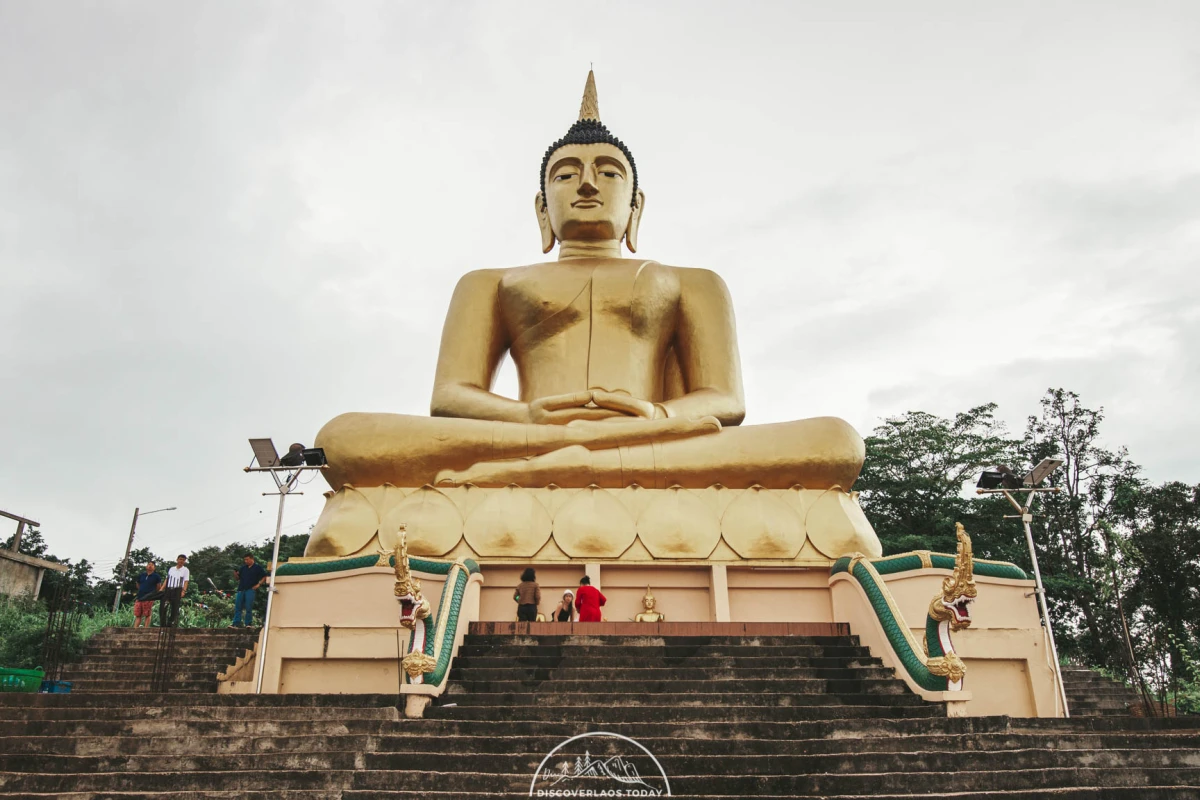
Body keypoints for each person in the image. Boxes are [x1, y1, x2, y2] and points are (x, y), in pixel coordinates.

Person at [230, 553, 267, 628]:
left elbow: (264, 576)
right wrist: (235, 574)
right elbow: (238, 579)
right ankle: (236, 623)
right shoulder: (243, 568)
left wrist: (259, 584)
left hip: (250, 589)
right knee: (238, 607)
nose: (246, 561)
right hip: (241, 589)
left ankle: (248, 623)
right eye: (245, 560)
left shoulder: (257, 567)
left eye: (247, 559)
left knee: (248, 607)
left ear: (251, 559)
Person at [159, 554, 190, 628]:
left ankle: (170, 623)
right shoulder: (172, 568)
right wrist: (162, 588)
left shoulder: (185, 570)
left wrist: (183, 591)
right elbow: (167, 579)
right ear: (177, 559)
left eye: (183, 560)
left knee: (174, 608)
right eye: (180, 559)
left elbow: (186, 581)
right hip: (169, 588)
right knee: (163, 606)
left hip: (177, 589)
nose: (181, 561)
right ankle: (163, 624)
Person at [132, 561, 163, 628]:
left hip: (149, 597)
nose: (150, 566)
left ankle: (146, 628)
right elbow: (137, 584)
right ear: (146, 566)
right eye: (149, 564)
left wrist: (153, 593)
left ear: (154, 568)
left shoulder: (156, 576)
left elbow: (158, 587)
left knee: (147, 614)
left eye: (152, 565)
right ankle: (135, 628)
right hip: (140, 596)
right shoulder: (142, 575)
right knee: (138, 614)